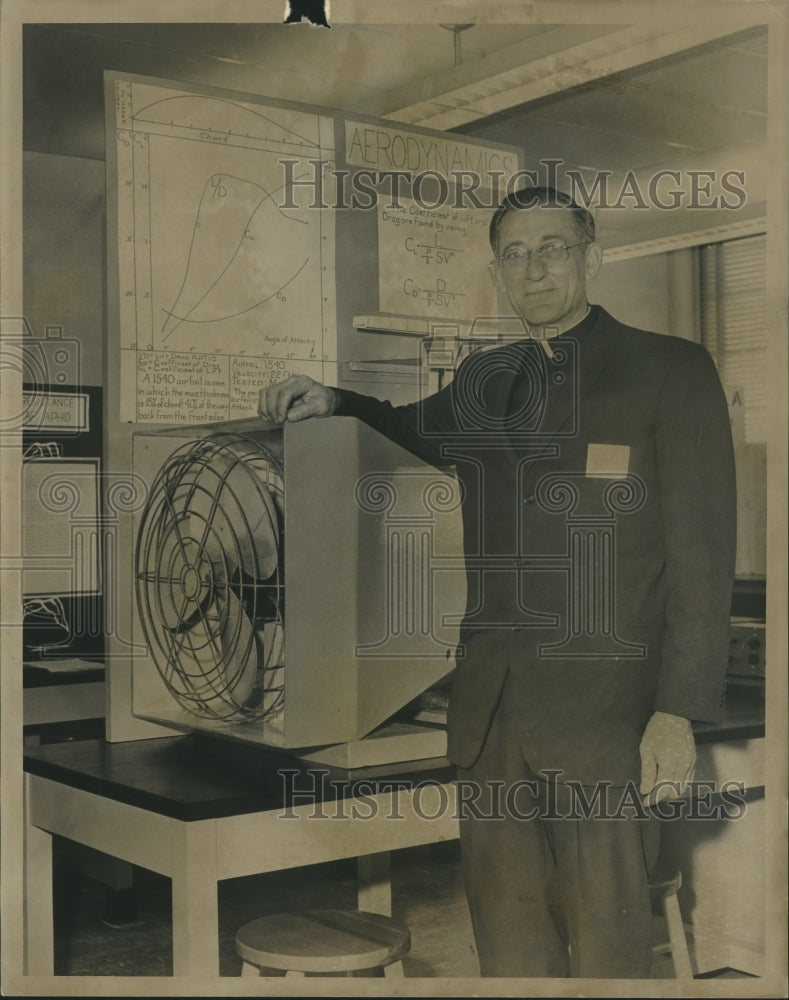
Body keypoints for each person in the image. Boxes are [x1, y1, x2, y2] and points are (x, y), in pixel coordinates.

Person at [258, 186, 736, 978]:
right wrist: (333, 398)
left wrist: (676, 712)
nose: (533, 267)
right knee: (508, 942)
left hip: (604, 716)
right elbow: (411, 426)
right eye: (514, 253)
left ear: (591, 257)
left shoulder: (668, 370)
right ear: (497, 270)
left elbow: (702, 555)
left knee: (610, 945)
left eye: (552, 247)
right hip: (490, 716)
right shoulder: (488, 378)